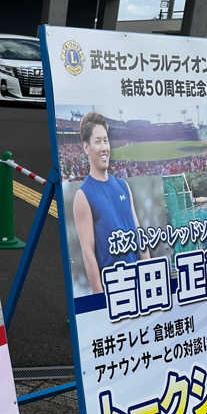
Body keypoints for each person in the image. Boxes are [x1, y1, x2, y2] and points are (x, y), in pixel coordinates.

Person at [72, 112, 149, 294]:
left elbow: (139, 236)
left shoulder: (123, 186)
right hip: (115, 290)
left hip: (141, 283)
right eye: (98, 141)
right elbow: (88, 254)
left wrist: (150, 275)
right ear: (86, 147)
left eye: (106, 141)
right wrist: (101, 300)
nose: (104, 147)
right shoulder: (82, 196)